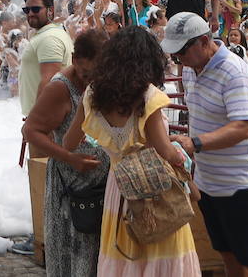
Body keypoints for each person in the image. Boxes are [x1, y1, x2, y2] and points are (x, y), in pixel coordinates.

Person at [64, 27, 200, 277]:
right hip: (154, 189)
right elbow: (165, 151)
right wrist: (182, 154)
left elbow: (69, 142)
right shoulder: (148, 97)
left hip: (119, 190)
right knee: (162, 258)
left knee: (124, 261)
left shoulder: (93, 94)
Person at [163, 13, 248, 277]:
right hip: (209, 185)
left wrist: (195, 143)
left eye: (182, 51)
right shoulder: (191, 71)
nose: (179, 59)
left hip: (243, 187)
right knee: (229, 258)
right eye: (175, 54)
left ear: (204, 41)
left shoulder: (234, 72)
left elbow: (242, 127)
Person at [22, 29, 109, 277]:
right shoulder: (60, 88)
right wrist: (70, 157)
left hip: (101, 189)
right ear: (74, 60)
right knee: (75, 258)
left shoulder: (104, 81)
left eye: (99, 73)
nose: (92, 80)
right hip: (71, 190)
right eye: (86, 73)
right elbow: (30, 130)